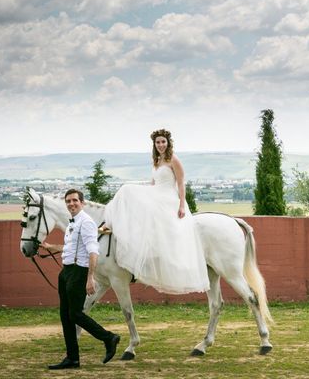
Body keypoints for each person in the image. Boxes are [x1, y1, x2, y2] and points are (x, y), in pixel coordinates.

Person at [103, 128, 209, 295]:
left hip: (168, 198)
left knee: (126, 189)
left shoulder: (173, 159)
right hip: (157, 194)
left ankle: (109, 222)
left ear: (168, 143)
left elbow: (181, 183)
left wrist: (182, 205)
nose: (160, 145)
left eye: (163, 142)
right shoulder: (157, 160)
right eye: (157, 142)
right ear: (154, 144)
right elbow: (153, 183)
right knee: (130, 195)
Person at [42, 189, 120, 370]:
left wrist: (90, 278)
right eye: (68, 201)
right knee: (66, 316)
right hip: (67, 271)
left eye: (75, 200)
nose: (71, 204)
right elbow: (69, 247)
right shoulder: (73, 223)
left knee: (75, 314)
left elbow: (93, 251)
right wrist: (49, 246)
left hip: (78, 272)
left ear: (82, 203)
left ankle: (109, 338)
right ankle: (73, 358)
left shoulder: (85, 222)